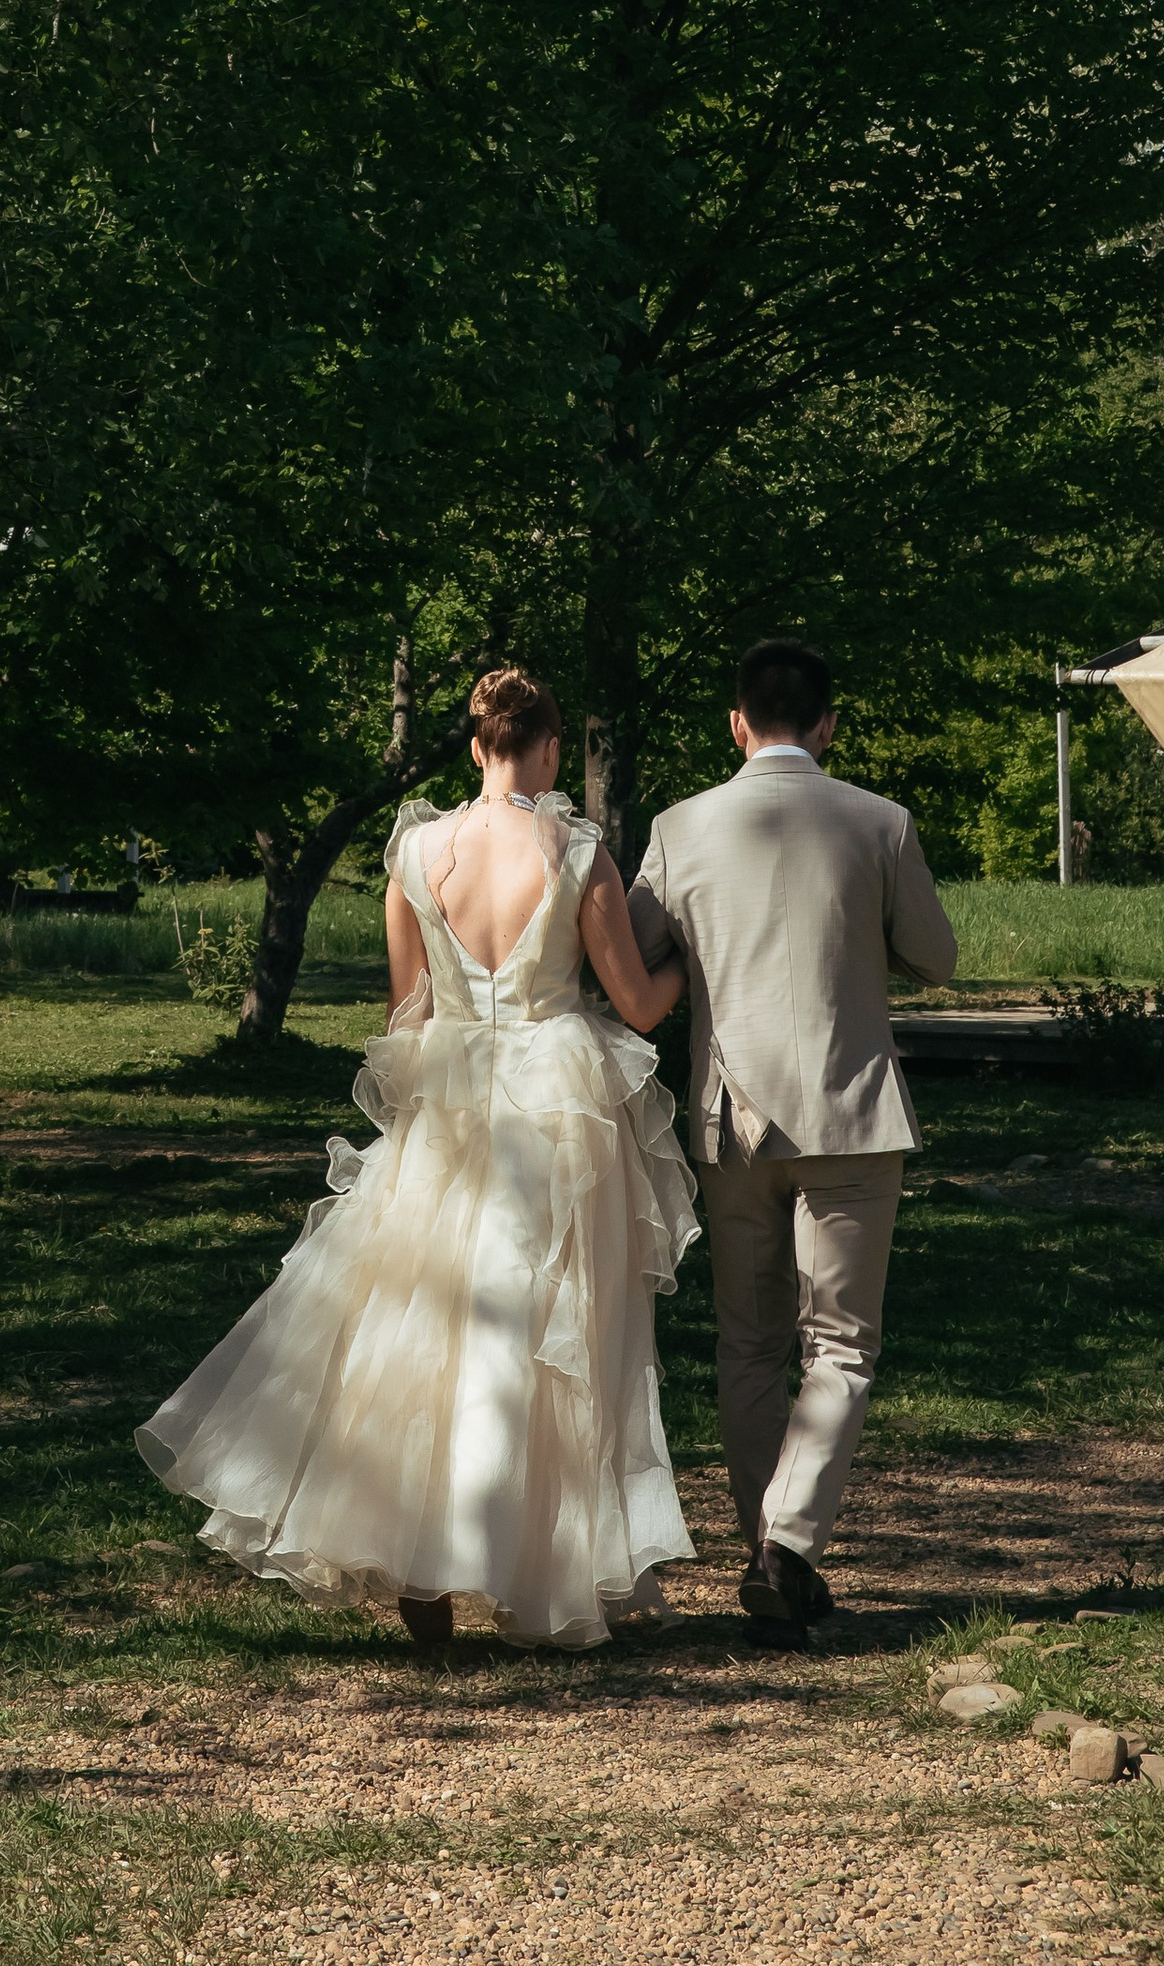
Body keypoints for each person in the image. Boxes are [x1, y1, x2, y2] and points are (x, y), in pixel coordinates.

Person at [135, 667, 698, 1653]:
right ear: (550, 747)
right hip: (556, 1102)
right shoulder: (575, 850)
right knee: (550, 1335)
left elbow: (408, 1015)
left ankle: (422, 1571)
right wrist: (689, 952)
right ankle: (536, 1579)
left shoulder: (414, 851)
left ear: (475, 746)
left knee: (420, 1327)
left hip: (447, 1095)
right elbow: (640, 1008)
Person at [629, 634, 958, 1641]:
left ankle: (766, 1551)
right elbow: (936, 957)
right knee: (840, 1348)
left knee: (747, 1345)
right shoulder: (878, 823)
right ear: (825, 725)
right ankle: (787, 1546)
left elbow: (635, 955)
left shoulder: (680, 829)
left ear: (736, 723)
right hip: (852, 1111)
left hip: (734, 1117)